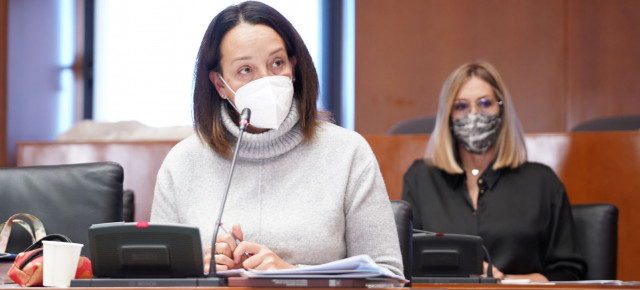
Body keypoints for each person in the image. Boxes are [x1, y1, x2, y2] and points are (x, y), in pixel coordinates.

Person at [150, 1, 403, 277]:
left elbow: (388, 278)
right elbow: (155, 277)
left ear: (293, 68)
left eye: (276, 63)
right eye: (245, 70)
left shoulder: (348, 153)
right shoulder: (182, 163)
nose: (266, 80)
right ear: (220, 84)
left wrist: (293, 274)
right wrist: (196, 273)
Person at [402, 61, 586, 282]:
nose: (474, 114)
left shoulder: (542, 182)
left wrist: (503, 280)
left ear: (502, 109)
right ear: (448, 117)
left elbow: (569, 271)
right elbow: (406, 263)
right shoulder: (421, 178)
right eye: (461, 106)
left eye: (485, 103)